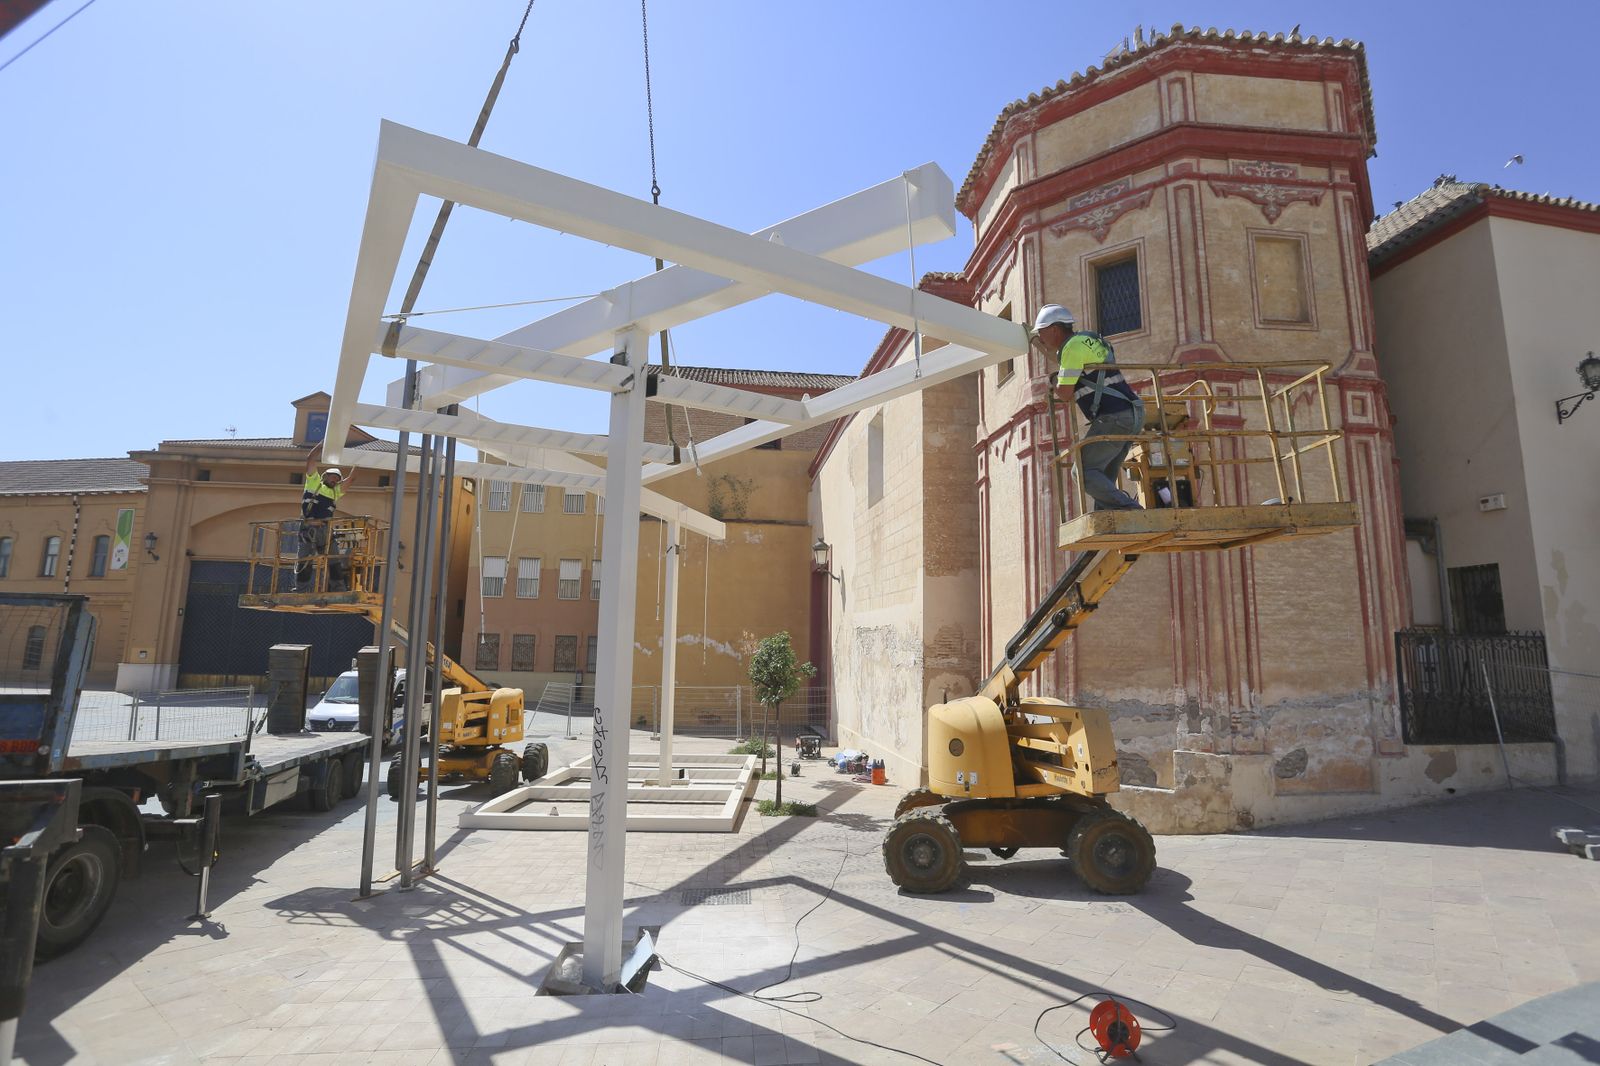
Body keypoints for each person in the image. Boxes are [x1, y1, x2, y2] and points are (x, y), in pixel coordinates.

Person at [1032, 304, 1144, 511]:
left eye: (1041, 332)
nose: (1040, 336)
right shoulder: (1086, 340)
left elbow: (1065, 394)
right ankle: (1105, 529)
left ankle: (1132, 511)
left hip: (1113, 417)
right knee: (1101, 479)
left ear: (1054, 329)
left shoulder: (1072, 349)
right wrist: (1035, 343)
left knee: (1082, 472)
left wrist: (1051, 381)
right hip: (1132, 414)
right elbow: (1056, 355)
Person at [296, 443, 355, 591]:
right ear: (325, 476)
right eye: (332, 477)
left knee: (334, 561)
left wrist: (359, 460)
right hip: (308, 529)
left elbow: (351, 479)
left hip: (326, 530)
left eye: (337, 478)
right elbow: (310, 459)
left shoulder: (336, 492)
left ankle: (339, 588)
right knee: (305, 560)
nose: (334, 480)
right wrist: (322, 445)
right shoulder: (313, 482)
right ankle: (301, 589)